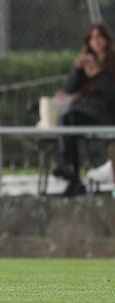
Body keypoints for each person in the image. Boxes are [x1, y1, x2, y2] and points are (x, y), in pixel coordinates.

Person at [56, 23, 115, 196]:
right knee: (66, 119)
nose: (95, 41)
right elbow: (69, 88)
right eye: (92, 38)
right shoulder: (86, 60)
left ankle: (67, 169)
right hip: (83, 112)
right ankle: (71, 174)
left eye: (99, 37)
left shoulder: (112, 62)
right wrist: (77, 69)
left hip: (106, 115)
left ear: (106, 39)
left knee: (69, 119)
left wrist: (97, 74)